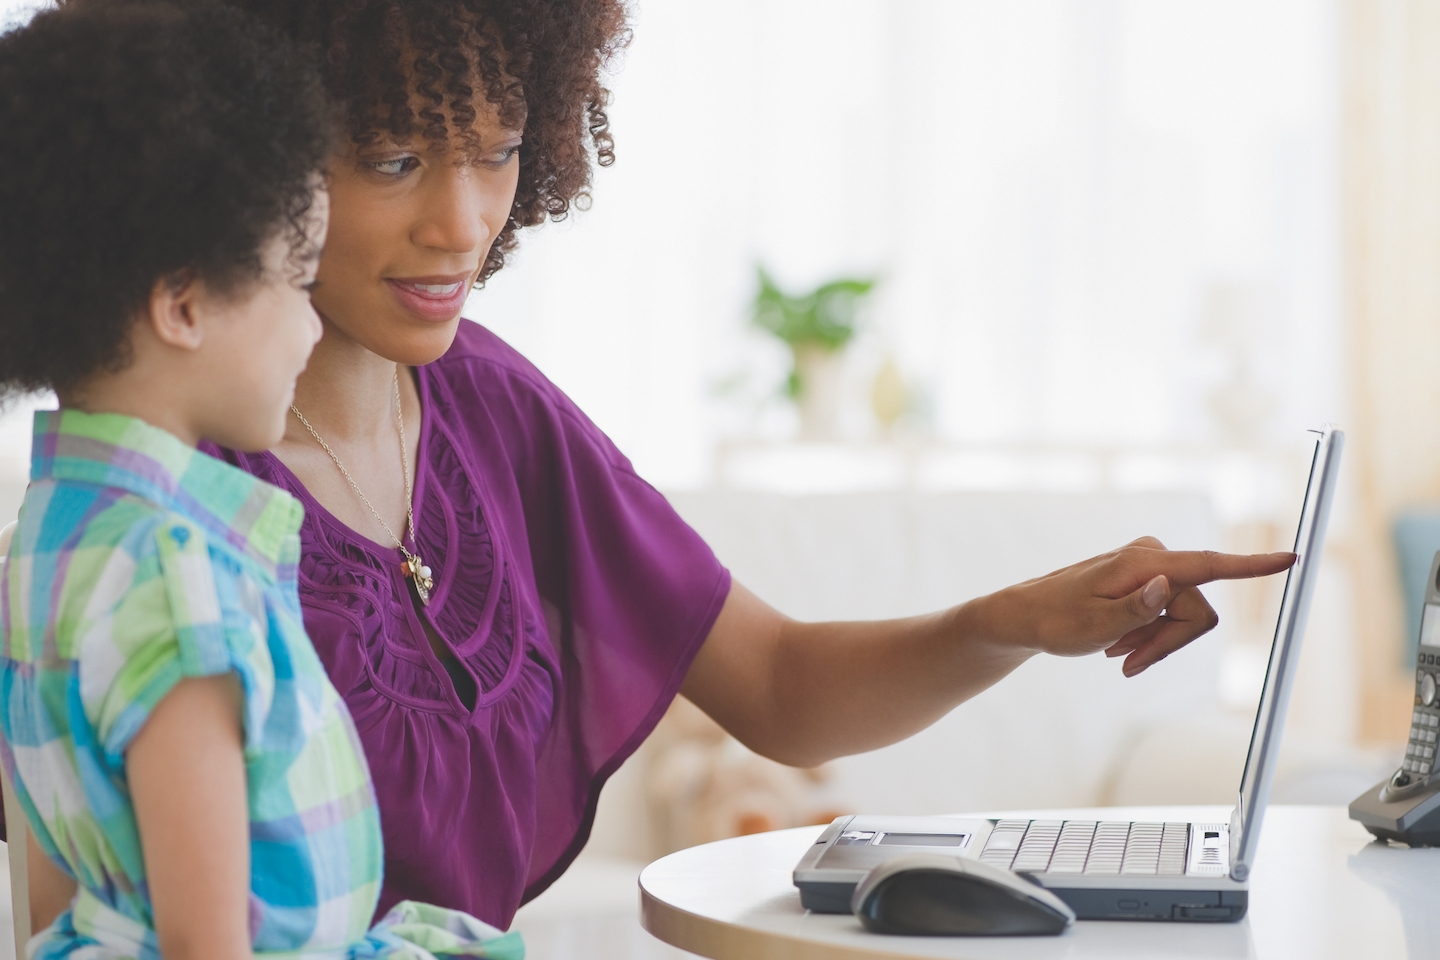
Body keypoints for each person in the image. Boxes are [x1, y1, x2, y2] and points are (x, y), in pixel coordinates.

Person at [23, 0, 1290, 933]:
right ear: (262, 156)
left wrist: (1016, 620)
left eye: (500, 149)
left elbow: (783, 686)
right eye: (396, 159)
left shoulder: (492, 407)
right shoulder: (168, 515)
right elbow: (72, 882)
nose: (464, 221)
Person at [0, 4, 522, 958]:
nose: (310, 326)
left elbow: (51, 893)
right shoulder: (175, 581)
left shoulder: (45, 537)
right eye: (294, 277)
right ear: (185, 304)